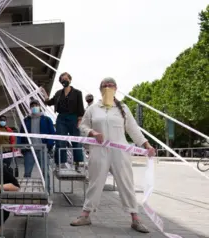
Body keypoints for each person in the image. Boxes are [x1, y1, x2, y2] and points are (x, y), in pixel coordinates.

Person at [70, 77, 156, 233]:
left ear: (116, 88)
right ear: (100, 89)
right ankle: (85, 215)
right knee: (95, 182)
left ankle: (135, 218)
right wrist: (92, 132)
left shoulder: (122, 108)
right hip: (98, 150)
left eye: (110, 85)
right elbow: (82, 125)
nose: (107, 88)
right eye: (104, 85)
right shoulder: (93, 109)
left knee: (126, 182)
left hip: (120, 152)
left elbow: (133, 129)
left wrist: (147, 145)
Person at [41, 72, 85, 172]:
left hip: (73, 118)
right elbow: (49, 102)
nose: (64, 80)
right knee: (60, 141)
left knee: (76, 141)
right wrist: (44, 94)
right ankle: (60, 163)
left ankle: (78, 163)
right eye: (62, 79)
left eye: (66, 79)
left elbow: (80, 108)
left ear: (70, 80)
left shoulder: (78, 93)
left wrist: (79, 120)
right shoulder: (58, 93)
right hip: (61, 118)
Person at [17, 99, 55, 179]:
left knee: (45, 173)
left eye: (36, 105)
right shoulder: (26, 120)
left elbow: (52, 134)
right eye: (32, 106)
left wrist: (49, 145)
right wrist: (20, 146)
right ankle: (27, 190)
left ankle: (47, 190)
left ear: (39, 107)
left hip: (43, 150)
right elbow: (20, 134)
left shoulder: (47, 120)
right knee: (27, 173)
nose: (34, 107)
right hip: (29, 150)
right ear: (30, 108)